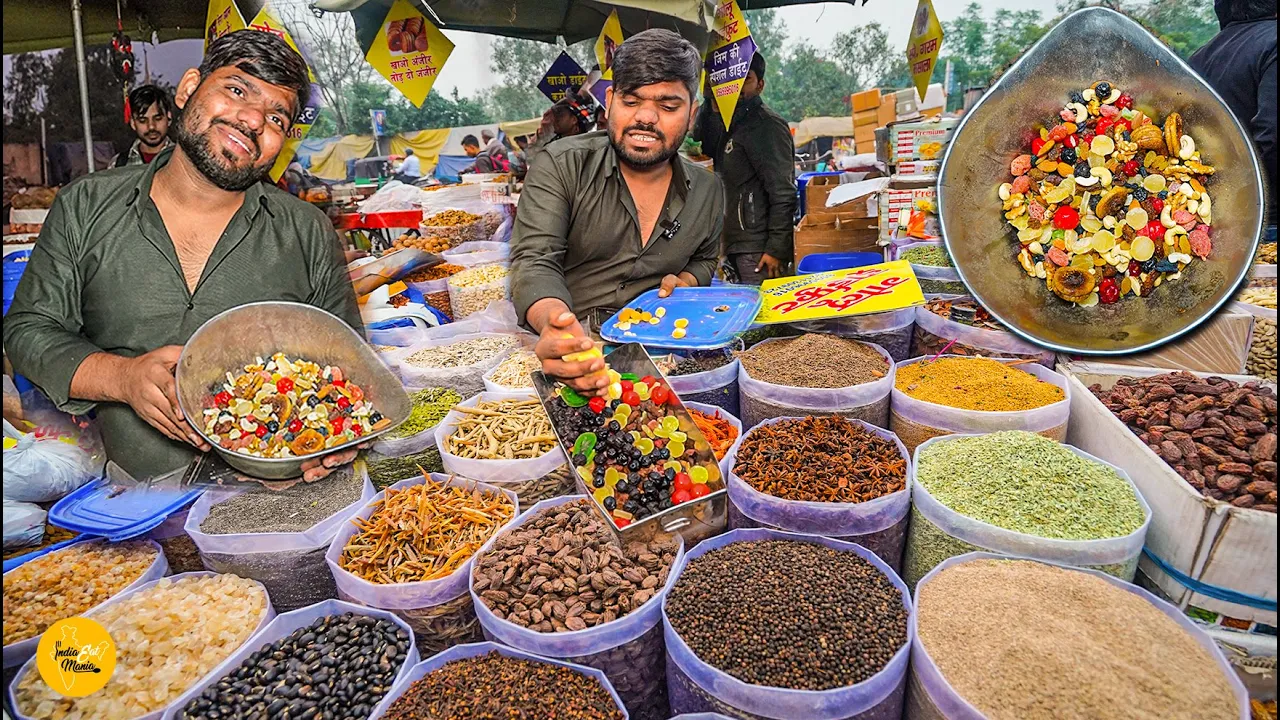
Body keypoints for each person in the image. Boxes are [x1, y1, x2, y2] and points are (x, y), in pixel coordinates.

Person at [4, 30, 362, 482]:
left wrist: (336, 439)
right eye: (236, 90)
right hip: (137, 510)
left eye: (276, 118)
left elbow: (350, 367)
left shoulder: (307, 232)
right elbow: (27, 329)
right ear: (190, 87)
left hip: (280, 503)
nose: (252, 119)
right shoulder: (85, 206)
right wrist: (121, 378)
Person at [511, 29, 724, 395]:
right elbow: (534, 259)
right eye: (631, 101)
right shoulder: (562, 165)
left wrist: (687, 281)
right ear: (609, 102)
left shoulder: (708, 190)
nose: (645, 118)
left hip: (664, 353)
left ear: (692, 115)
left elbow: (705, 260)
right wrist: (555, 323)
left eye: (668, 106)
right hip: (575, 353)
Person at [694, 52, 795, 283]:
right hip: (730, 242)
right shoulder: (727, 122)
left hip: (757, 248)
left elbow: (783, 192)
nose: (736, 86)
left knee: (762, 316)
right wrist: (711, 99)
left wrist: (776, 249)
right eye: (730, 79)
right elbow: (701, 145)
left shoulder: (766, 125)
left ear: (760, 85)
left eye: (745, 79)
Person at [1189, 0, 1276, 240]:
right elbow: (1273, 134)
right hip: (1267, 223)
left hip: (1215, 218)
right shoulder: (1274, 43)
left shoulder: (1199, 57)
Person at [112, 84, 174, 167]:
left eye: (157, 118)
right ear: (133, 124)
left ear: (169, 118)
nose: (151, 126)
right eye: (143, 121)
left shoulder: (186, 160)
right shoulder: (118, 164)